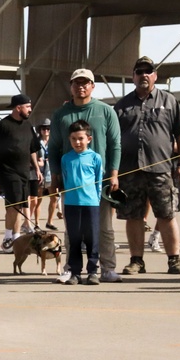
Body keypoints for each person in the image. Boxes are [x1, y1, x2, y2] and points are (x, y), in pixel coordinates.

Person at [113, 56, 180, 275]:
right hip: (130, 171)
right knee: (133, 216)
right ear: (133, 76)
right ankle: (136, 260)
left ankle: (174, 259)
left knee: (166, 215)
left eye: (148, 71)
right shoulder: (122, 105)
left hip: (161, 170)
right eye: (139, 71)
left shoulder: (169, 101)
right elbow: (113, 139)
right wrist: (114, 172)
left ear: (155, 75)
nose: (144, 75)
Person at [47, 68, 122, 283]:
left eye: (85, 82)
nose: (81, 86)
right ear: (71, 86)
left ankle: (107, 268)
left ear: (92, 86)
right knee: (72, 231)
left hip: (100, 182)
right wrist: (54, 176)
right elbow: (53, 147)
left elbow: (115, 144)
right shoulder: (61, 114)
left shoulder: (106, 111)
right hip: (71, 183)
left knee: (104, 228)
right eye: (77, 83)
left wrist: (114, 174)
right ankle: (72, 269)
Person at [0, 93, 41, 249]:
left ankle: (10, 238)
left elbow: (32, 149)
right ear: (18, 108)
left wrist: (37, 169)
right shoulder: (1, 126)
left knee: (19, 205)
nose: (30, 110)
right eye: (28, 107)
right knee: (15, 205)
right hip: (7, 172)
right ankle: (13, 239)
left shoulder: (28, 126)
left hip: (25, 172)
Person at [58, 120, 103, 285]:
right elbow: (65, 178)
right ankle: (75, 272)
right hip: (71, 204)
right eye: (74, 139)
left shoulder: (95, 158)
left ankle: (92, 271)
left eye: (81, 138)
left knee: (92, 239)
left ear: (88, 139)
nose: (77, 142)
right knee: (74, 239)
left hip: (91, 204)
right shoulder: (66, 159)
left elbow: (99, 182)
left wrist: (96, 200)